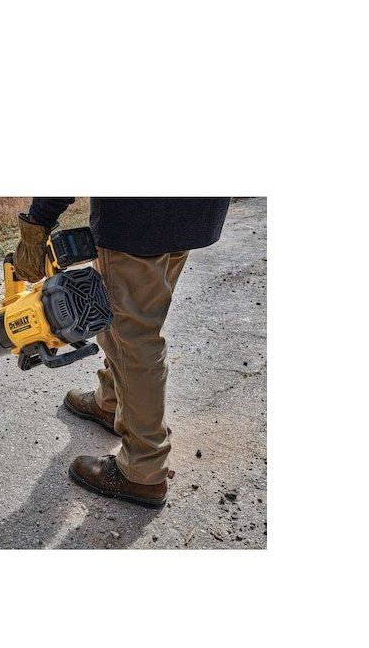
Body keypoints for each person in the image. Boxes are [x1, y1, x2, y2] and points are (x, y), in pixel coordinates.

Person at [14, 197, 231, 508]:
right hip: (194, 209)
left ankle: (143, 469)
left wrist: (38, 222)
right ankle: (112, 401)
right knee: (130, 320)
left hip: (136, 217)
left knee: (132, 337)